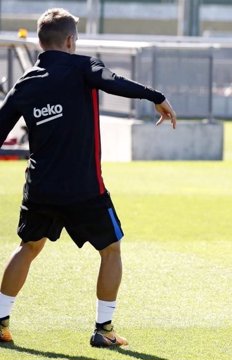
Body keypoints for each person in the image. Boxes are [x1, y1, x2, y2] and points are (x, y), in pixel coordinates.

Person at [0, 8, 177, 347]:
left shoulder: (25, 84)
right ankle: (104, 330)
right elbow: (113, 81)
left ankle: (0, 321)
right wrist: (156, 97)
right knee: (111, 249)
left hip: (39, 188)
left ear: (40, 42)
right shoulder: (84, 67)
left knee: (28, 247)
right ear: (69, 41)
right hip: (84, 190)